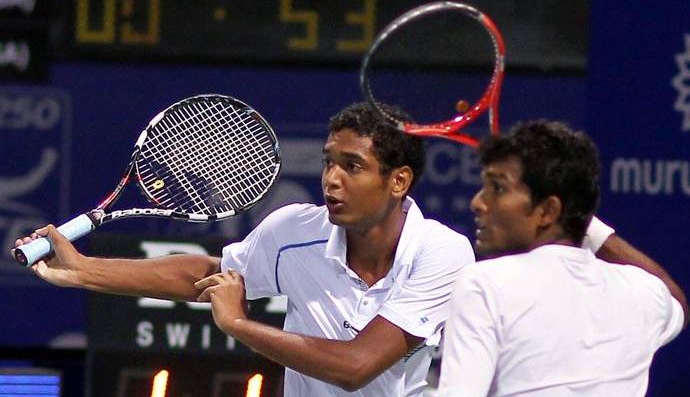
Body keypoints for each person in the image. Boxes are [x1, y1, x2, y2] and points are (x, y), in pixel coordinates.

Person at [15, 102, 475, 397]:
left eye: (352, 166)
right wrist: (82, 269)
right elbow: (206, 275)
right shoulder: (295, 230)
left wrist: (237, 323)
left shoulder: (441, 254)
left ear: (398, 181)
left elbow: (356, 367)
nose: (332, 179)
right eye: (329, 162)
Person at [437, 120, 688, 396]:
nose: (477, 202)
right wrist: (580, 218)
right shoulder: (641, 292)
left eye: (497, 188)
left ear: (547, 211)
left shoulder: (483, 284)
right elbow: (676, 301)